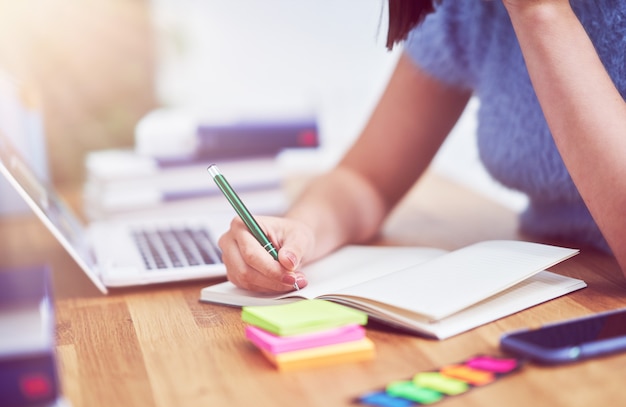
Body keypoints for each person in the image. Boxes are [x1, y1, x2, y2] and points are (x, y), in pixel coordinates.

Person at [217, 0, 626, 293]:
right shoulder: (471, 10)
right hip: (557, 282)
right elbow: (366, 180)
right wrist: (302, 230)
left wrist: (541, 12)